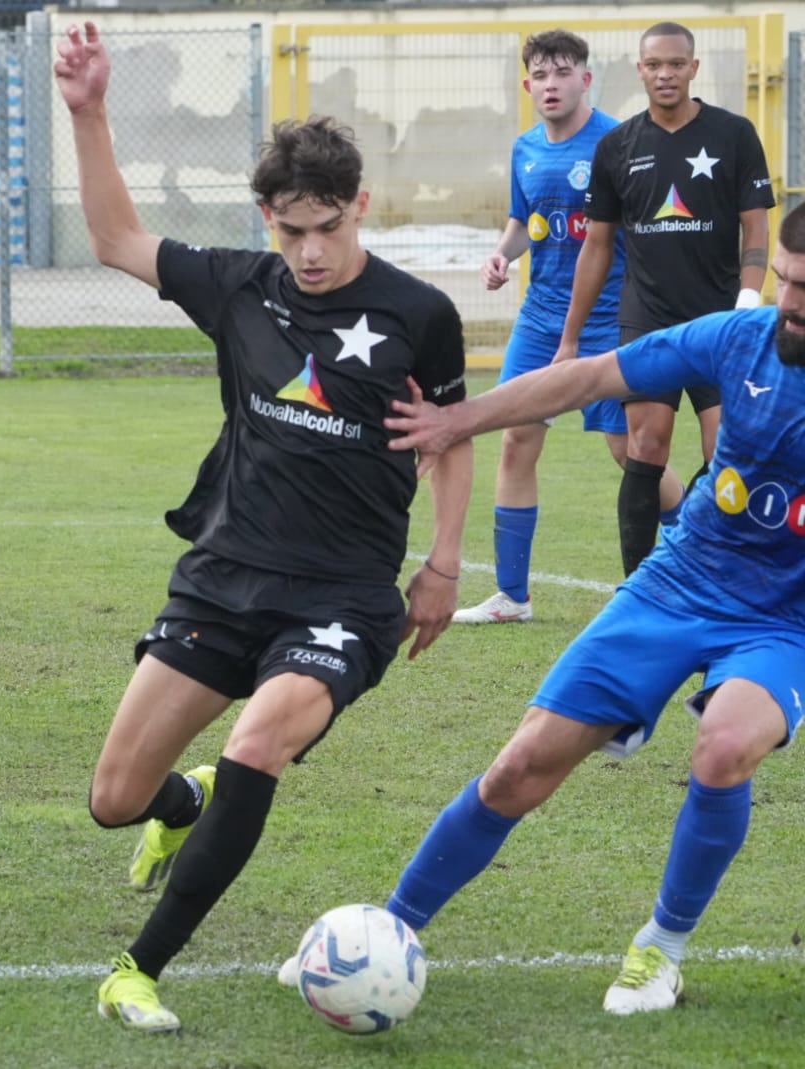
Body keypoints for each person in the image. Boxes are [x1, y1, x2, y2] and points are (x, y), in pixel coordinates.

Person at [54, 21, 474, 1034]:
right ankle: (178, 809)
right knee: (115, 797)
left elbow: (452, 437)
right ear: (266, 218)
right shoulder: (239, 285)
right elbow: (114, 239)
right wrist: (90, 110)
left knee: (259, 738)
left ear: (357, 206)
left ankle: (137, 968)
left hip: (342, 599)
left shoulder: (419, 313)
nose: (311, 250)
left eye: (326, 226)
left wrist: (444, 563)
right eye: (291, 231)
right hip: (224, 579)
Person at [355, 200, 805, 1015]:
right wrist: (462, 417)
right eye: (784, 279)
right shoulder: (742, 337)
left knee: (725, 742)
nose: (790, 303)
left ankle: (659, 950)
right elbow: (593, 376)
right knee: (520, 765)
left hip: (786, 622)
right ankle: (388, 932)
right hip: (682, 580)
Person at [556, 22, 773, 578]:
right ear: (640, 70)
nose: (665, 74)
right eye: (654, 65)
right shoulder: (617, 147)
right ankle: (637, 584)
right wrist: (571, 338)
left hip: (722, 321)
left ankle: (714, 565)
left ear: (694, 68)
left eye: (676, 64)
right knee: (645, 445)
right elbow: (597, 247)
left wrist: (749, 296)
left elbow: (756, 230)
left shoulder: (734, 135)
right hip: (647, 319)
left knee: (725, 454)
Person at [454, 30, 647, 625]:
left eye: (562, 73)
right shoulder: (525, 148)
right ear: (527, 84)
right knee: (516, 440)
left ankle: (698, 567)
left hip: (607, 321)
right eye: (540, 75)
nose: (551, 84)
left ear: (586, 79)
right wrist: (500, 255)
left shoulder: (618, 142)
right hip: (539, 322)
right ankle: (512, 597)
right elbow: (523, 221)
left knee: (632, 453)